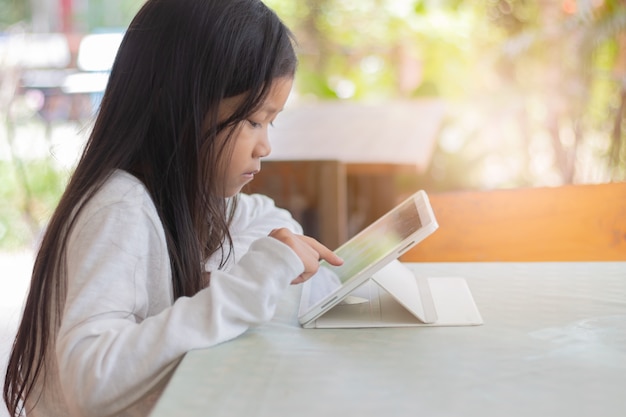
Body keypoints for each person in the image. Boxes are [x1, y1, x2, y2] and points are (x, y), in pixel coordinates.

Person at [3, 1, 343, 416]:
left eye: (271, 122)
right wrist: (245, 288)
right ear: (184, 105)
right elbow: (88, 379)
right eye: (253, 121)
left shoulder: (188, 198)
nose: (265, 146)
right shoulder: (120, 207)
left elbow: (271, 219)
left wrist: (246, 267)